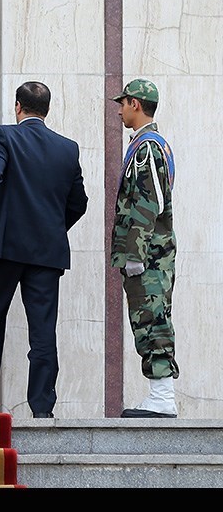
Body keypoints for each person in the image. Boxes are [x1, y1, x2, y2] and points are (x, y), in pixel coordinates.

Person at [0, 81, 88, 418]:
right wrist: (53, 229)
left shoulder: (3, 135)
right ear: (47, 109)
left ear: (18, 106)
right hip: (46, 253)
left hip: (3, 246)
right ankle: (42, 408)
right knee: (43, 331)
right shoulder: (67, 148)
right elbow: (79, 202)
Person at [111, 79, 179, 418]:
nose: (119, 111)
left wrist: (135, 253)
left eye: (123, 103)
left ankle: (162, 397)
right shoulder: (149, 144)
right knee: (149, 318)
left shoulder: (147, 147)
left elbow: (150, 202)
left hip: (149, 255)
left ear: (135, 104)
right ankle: (159, 394)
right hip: (152, 253)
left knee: (151, 320)